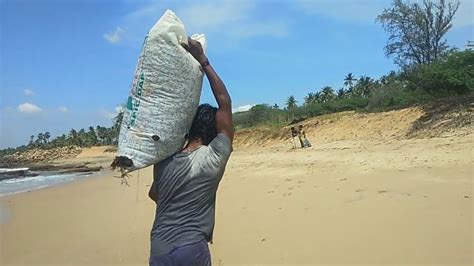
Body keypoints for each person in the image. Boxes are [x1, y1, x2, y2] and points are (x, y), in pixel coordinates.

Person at [148, 37, 234, 266]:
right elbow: (225, 103)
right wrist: (203, 60)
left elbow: (154, 194)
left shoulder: (164, 159)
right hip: (191, 247)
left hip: (158, 249)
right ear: (214, 132)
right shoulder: (214, 157)